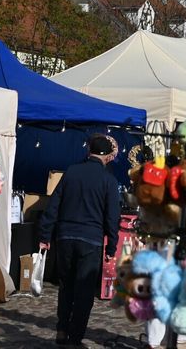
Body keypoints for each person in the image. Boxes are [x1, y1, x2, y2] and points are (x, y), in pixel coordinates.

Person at [38, 134, 121, 347]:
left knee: (66, 287)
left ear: (89, 151)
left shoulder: (72, 172)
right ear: (106, 156)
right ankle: (75, 337)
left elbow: (53, 205)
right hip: (91, 240)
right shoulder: (108, 181)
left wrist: (45, 235)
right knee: (84, 291)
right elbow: (112, 217)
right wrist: (111, 246)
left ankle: (62, 329)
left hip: (65, 236)